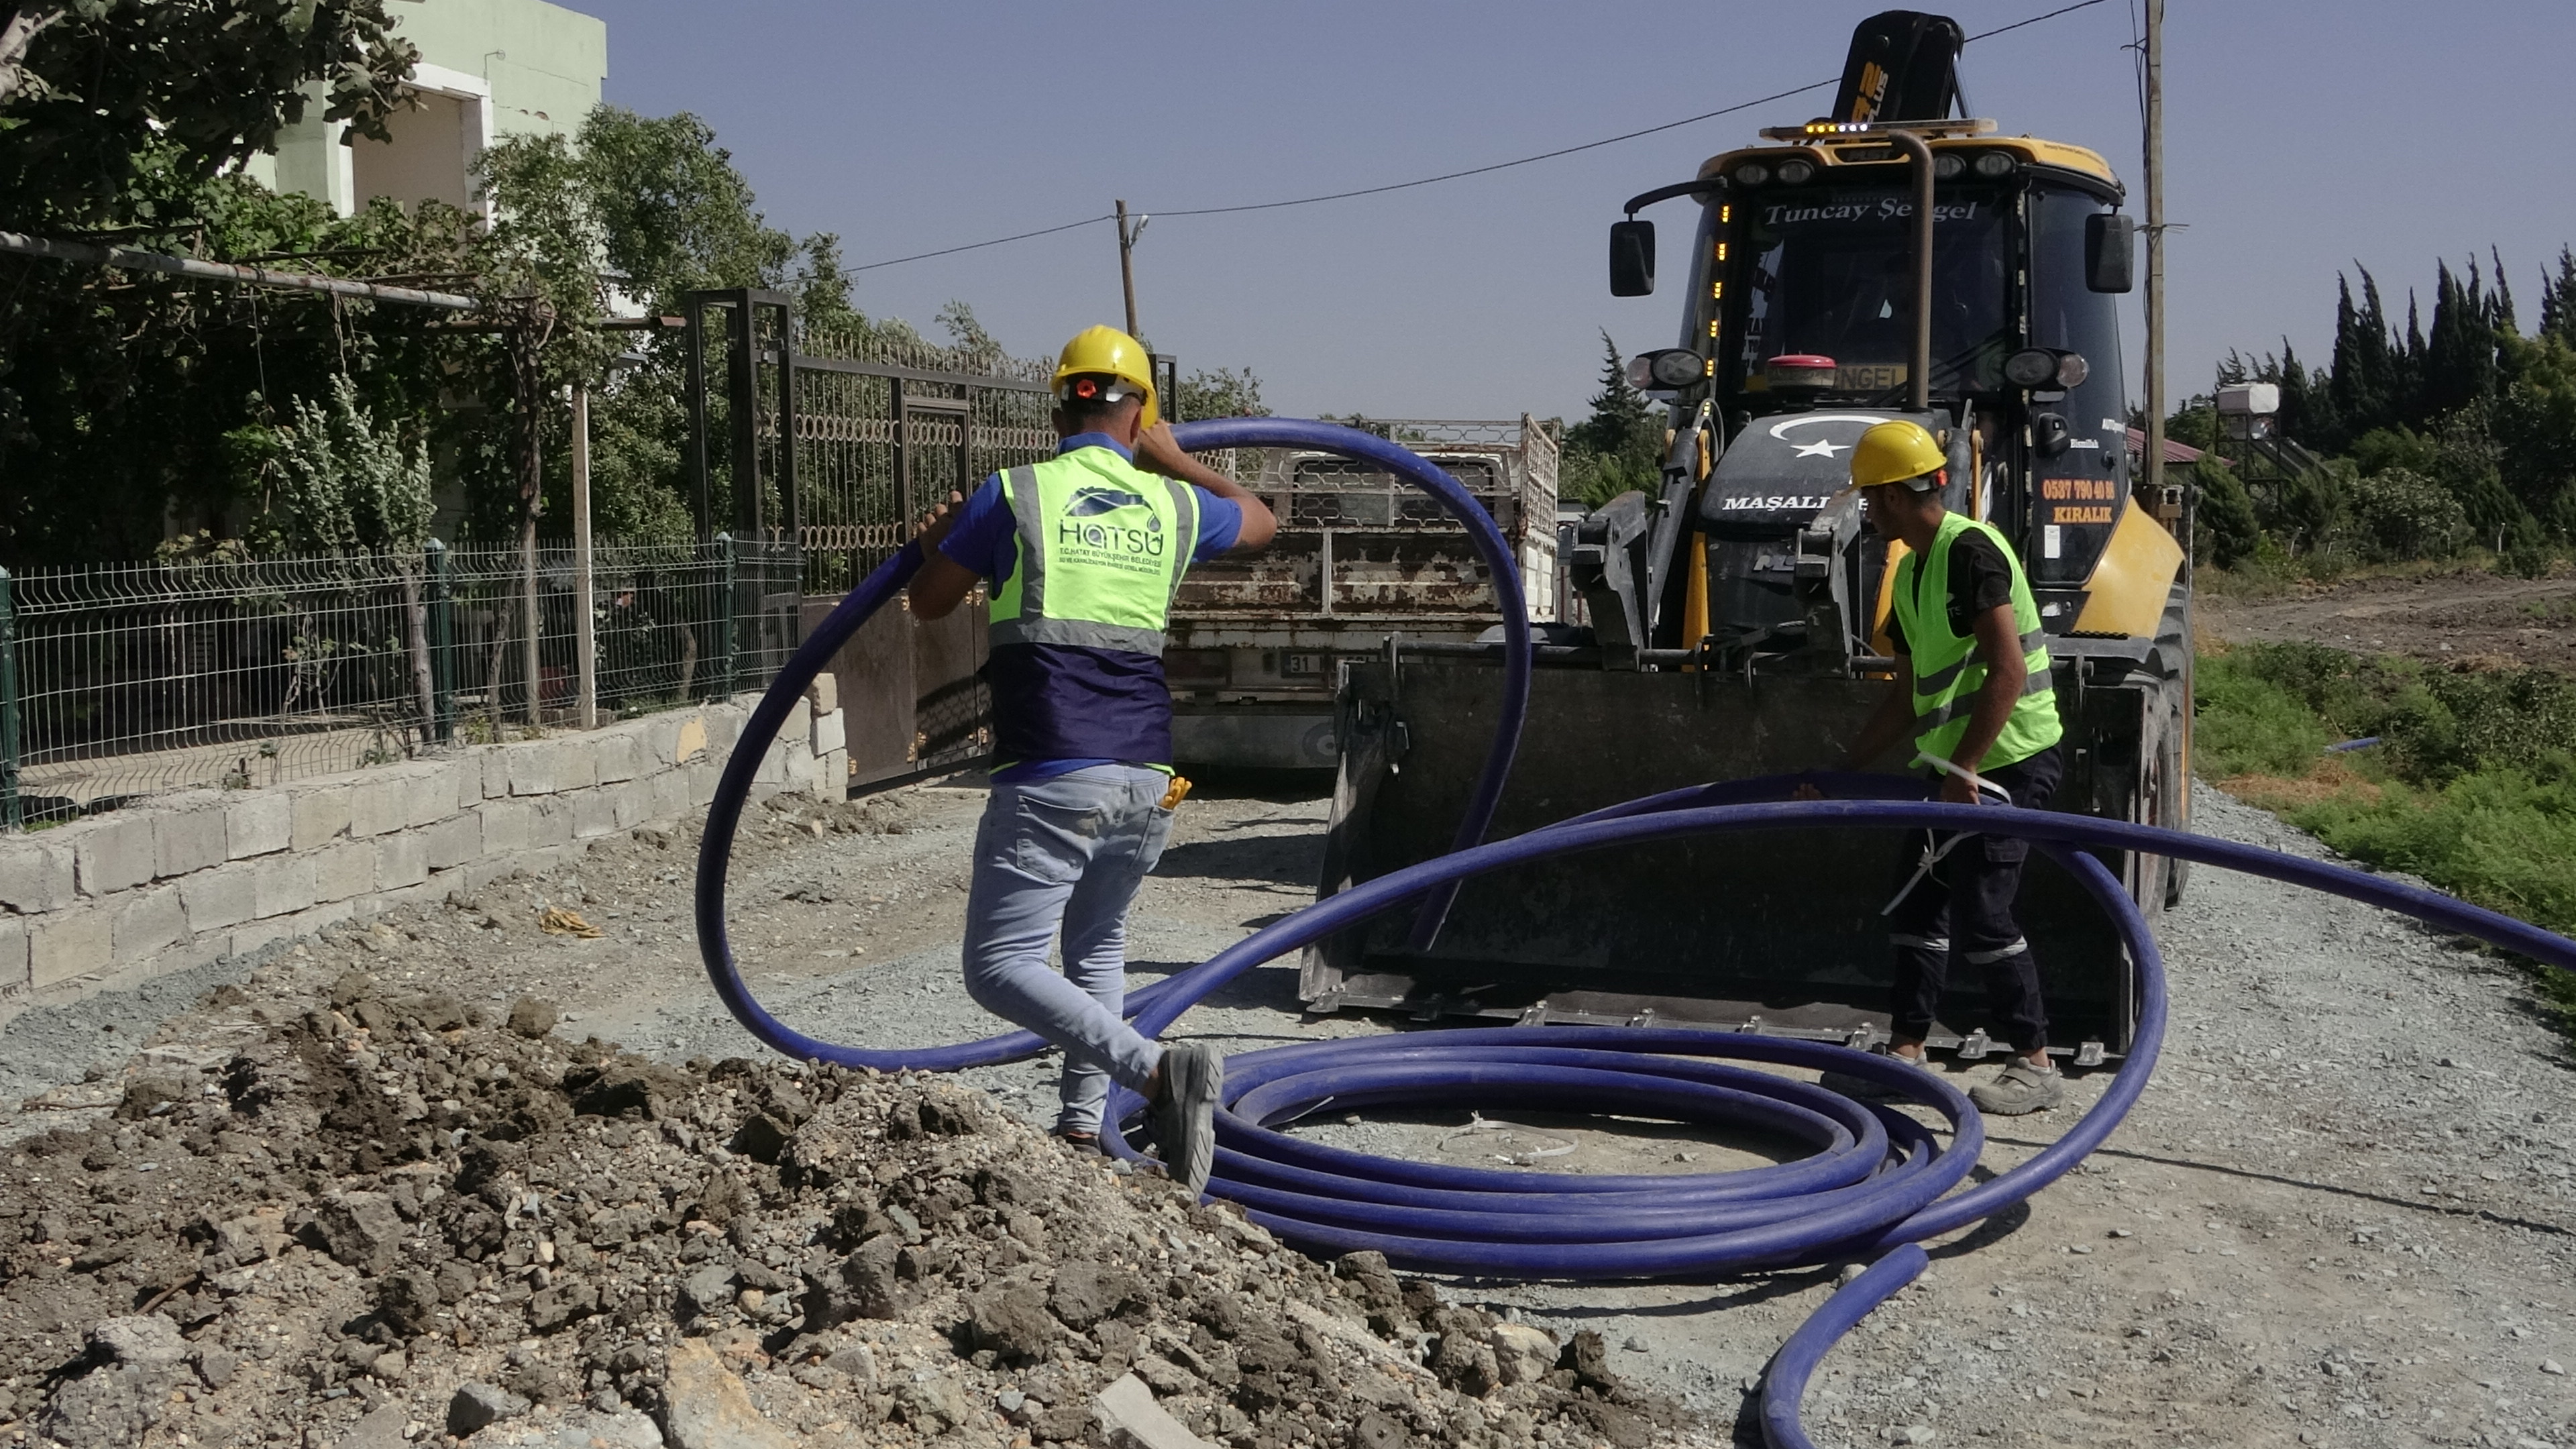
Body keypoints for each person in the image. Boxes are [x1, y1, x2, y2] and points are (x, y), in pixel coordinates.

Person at [909, 325, 1277, 1191]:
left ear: (1058, 407)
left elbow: (928, 605)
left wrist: (934, 544)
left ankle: (1156, 1074)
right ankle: (1081, 1127)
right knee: (1097, 946)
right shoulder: (1171, 504)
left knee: (1000, 969)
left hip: (1053, 773)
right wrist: (1179, 458)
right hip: (1148, 777)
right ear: (1139, 411)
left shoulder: (1014, 494)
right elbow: (1264, 521)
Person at [1827, 418, 2067, 1116]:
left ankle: (2035, 1061)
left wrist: (1964, 770)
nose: (1868, 514)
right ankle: (1906, 1051)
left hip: (2010, 761)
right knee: (1916, 901)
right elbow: (1907, 694)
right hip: (1958, 766)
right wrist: (1843, 767)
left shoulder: (1972, 552)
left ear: (1897, 498)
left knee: (1985, 909)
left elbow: (2010, 669)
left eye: (1870, 501)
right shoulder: (1912, 571)